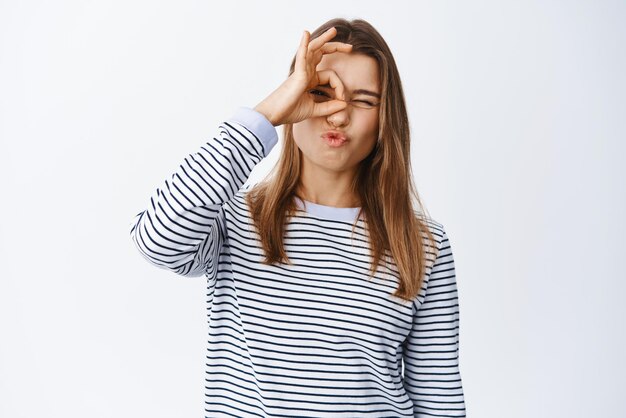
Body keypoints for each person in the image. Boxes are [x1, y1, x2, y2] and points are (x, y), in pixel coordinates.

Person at [129, 18, 466, 418]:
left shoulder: (422, 243)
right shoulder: (235, 219)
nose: (338, 115)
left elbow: (438, 400)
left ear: (385, 117)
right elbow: (155, 240)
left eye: (363, 100)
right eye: (321, 93)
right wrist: (267, 114)